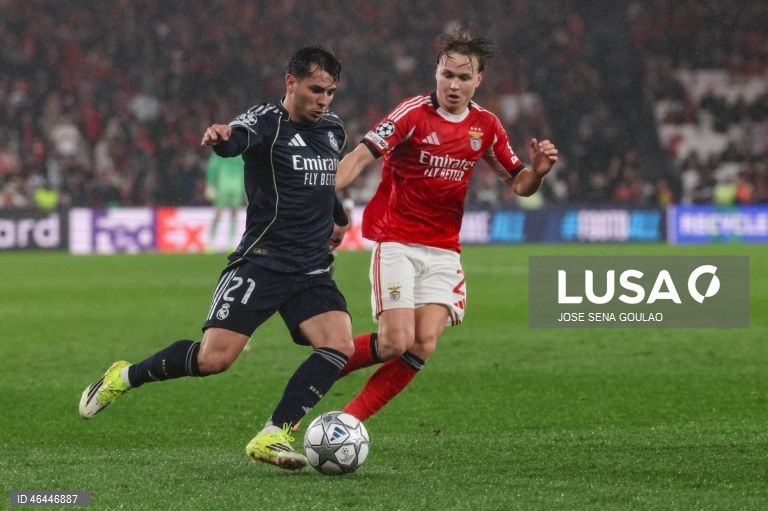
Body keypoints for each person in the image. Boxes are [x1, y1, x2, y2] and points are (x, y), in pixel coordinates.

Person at [79, 46, 354, 471]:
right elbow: (237, 139)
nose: (324, 100)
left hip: (312, 268)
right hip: (262, 262)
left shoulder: (333, 130)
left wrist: (338, 218)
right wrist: (222, 138)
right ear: (291, 82)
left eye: (331, 92)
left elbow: (323, 184)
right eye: (316, 90)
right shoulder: (267, 120)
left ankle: (273, 434)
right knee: (214, 359)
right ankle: (124, 376)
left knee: (338, 345)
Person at [334, 31, 559, 421]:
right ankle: (313, 375)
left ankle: (347, 423)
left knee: (422, 344)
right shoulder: (412, 113)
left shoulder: (486, 126)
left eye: (463, 78)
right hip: (398, 241)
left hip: (442, 250)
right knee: (394, 341)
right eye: (446, 74)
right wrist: (323, 190)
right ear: (435, 73)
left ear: (478, 82)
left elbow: (520, 184)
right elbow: (360, 156)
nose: (453, 85)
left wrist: (538, 173)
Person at [204, 152, 245, 251]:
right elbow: (212, 169)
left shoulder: (241, 152)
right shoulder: (221, 150)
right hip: (224, 187)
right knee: (219, 214)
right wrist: (210, 184)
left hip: (236, 187)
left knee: (233, 214)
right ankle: (210, 242)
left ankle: (231, 243)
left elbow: (246, 169)